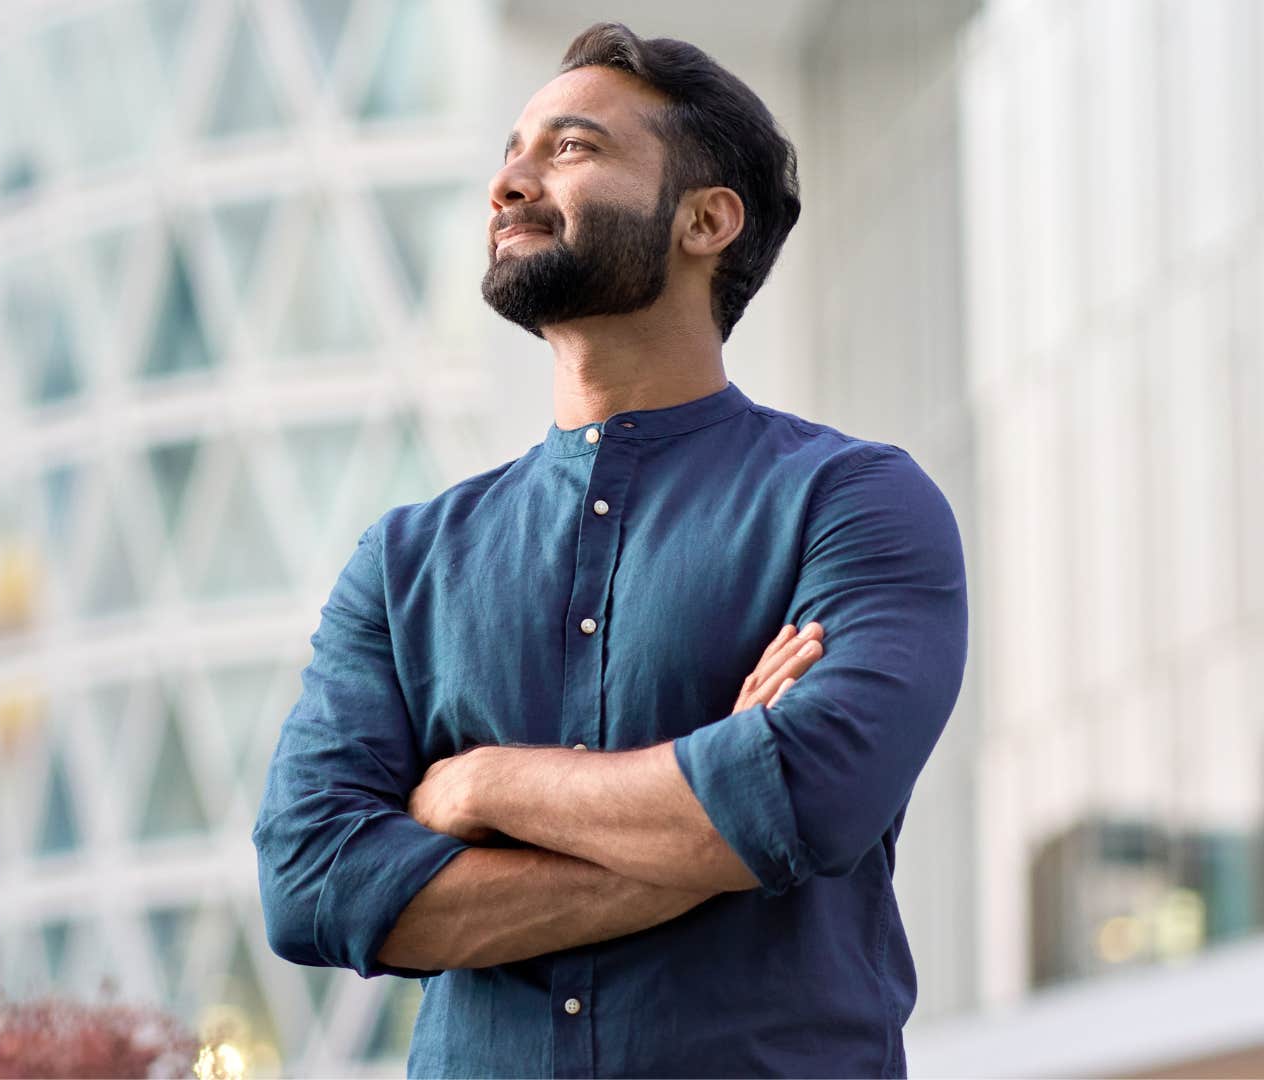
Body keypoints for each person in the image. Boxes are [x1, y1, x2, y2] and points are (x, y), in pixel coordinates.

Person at [250, 20, 970, 1079]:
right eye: (511, 152)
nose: (511, 183)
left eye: (572, 149)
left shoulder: (853, 502)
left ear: (706, 220)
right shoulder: (404, 563)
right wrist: (707, 821)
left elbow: (811, 795)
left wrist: (485, 786)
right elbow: (313, 884)